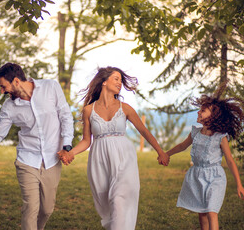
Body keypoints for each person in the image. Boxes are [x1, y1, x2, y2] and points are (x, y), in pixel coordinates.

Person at [58, 66, 169, 230]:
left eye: (121, 80)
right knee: (109, 207)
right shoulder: (89, 110)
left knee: (119, 200)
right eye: (116, 79)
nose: (119, 83)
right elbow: (87, 141)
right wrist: (70, 153)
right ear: (104, 81)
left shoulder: (125, 108)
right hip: (99, 161)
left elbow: (143, 131)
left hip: (124, 158)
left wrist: (160, 152)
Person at [0, 63, 74, 230]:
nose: (2, 91)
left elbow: (66, 116)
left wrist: (67, 145)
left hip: (52, 160)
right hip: (27, 160)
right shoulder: (9, 107)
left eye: (3, 86)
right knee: (31, 207)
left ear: (16, 81)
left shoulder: (50, 87)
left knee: (46, 210)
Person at [166, 83, 244, 230]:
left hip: (215, 177)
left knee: (211, 211)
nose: (198, 112)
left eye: (203, 111)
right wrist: (167, 154)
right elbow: (182, 146)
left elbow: (229, 160)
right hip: (197, 176)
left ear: (214, 115)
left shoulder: (220, 137)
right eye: (199, 110)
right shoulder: (195, 132)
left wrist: (239, 184)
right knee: (202, 213)